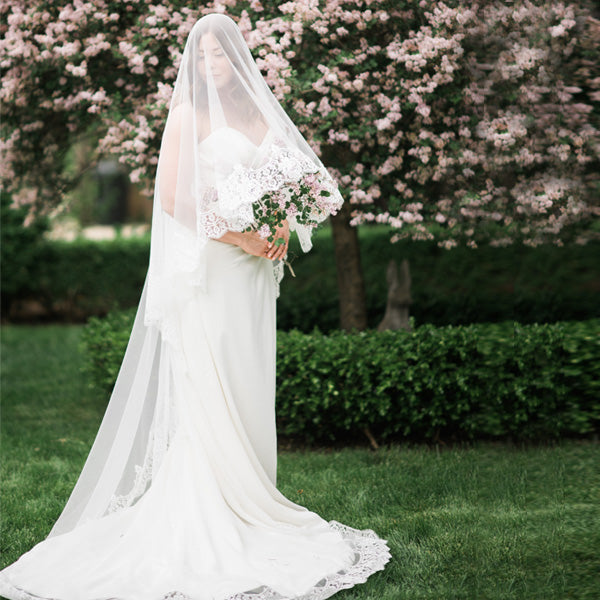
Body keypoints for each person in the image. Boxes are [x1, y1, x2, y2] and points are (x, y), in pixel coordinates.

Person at [0, 13, 391, 600]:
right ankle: (215, 505)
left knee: (249, 377)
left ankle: (254, 495)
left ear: (237, 59)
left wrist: (280, 222)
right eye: (203, 57)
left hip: (256, 273)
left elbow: (287, 179)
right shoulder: (188, 114)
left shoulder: (259, 111)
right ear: (193, 63)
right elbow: (175, 200)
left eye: (222, 56)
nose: (213, 67)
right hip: (213, 267)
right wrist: (242, 237)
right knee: (214, 384)